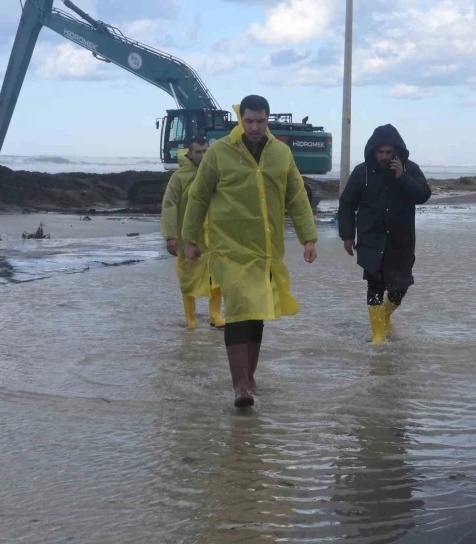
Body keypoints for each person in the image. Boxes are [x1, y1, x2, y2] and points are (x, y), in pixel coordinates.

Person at [182, 95, 318, 408]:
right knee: (239, 311)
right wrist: (190, 238)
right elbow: (199, 196)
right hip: (229, 247)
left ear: (267, 120)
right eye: (249, 120)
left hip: (265, 249)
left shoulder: (281, 154)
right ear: (240, 119)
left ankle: (250, 376)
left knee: (256, 313)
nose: (255, 126)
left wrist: (308, 238)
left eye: (260, 121)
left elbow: (296, 196)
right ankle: (240, 385)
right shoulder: (220, 152)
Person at [338, 124, 431, 344]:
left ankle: (386, 317)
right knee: (375, 286)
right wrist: (347, 236)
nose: (384, 157)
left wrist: (403, 178)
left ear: (397, 151)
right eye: (380, 152)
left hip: (401, 240)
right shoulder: (362, 172)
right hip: (371, 239)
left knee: (401, 286)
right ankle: (377, 335)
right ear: (373, 151)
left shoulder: (410, 169)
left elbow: (424, 195)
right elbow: (347, 203)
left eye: (389, 152)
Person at [161, 137, 225, 329]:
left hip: (213, 235)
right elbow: (169, 206)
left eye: (206, 151)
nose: (203, 155)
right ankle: (191, 318)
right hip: (187, 236)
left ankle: (215, 315)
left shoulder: (215, 174)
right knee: (188, 275)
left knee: (217, 274)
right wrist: (170, 236)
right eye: (199, 151)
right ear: (189, 154)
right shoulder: (179, 178)